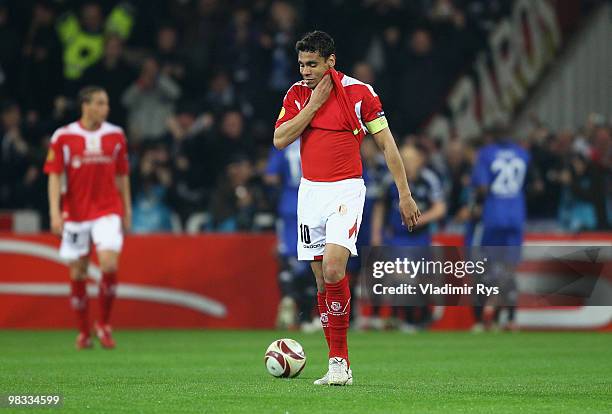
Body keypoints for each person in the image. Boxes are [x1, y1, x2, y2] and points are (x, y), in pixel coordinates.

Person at [273, 31, 420, 386]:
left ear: (330, 62)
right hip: (309, 195)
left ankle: (340, 362)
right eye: (302, 64)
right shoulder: (296, 95)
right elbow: (280, 139)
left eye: (312, 64)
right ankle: (335, 362)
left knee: (336, 269)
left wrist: (404, 193)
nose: (306, 71)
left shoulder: (359, 93)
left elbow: (387, 144)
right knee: (323, 283)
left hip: (345, 191)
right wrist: (312, 105)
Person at [44, 86, 131, 350]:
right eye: (101, 103)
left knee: (109, 264)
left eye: (106, 103)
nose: (106, 108)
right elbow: (55, 175)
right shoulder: (64, 136)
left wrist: (127, 209)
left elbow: (122, 175)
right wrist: (55, 212)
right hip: (77, 212)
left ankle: (103, 325)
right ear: (86, 105)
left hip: (107, 209)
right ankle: (83, 332)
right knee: (78, 270)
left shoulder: (115, 135)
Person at [372, 145, 446, 332]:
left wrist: (421, 219)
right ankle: (402, 317)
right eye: (403, 159)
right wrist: (376, 234)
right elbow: (380, 208)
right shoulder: (390, 180)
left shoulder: (429, 179)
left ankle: (417, 317)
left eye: (411, 160)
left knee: (419, 279)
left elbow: (440, 208)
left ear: (420, 161)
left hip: (420, 238)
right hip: (396, 237)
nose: (408, 164)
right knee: (399, 275)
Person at [470, 131, 530, 331]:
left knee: (491, 270)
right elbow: (534, 184)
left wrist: (476, 203)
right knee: (509, 270)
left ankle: (490, 317)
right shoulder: (523, 153)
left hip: (495, 216)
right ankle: (510, 319)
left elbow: (483, 187)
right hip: (516, 215)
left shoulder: (486, 154)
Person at [265, 139, 317, 330]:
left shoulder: (284, 140)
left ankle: (288, 297)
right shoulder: (317, 137)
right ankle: (306, 315)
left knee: (288, 256)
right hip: (312, 201)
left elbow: (270, 176)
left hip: (288, 204)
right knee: (311, 255)